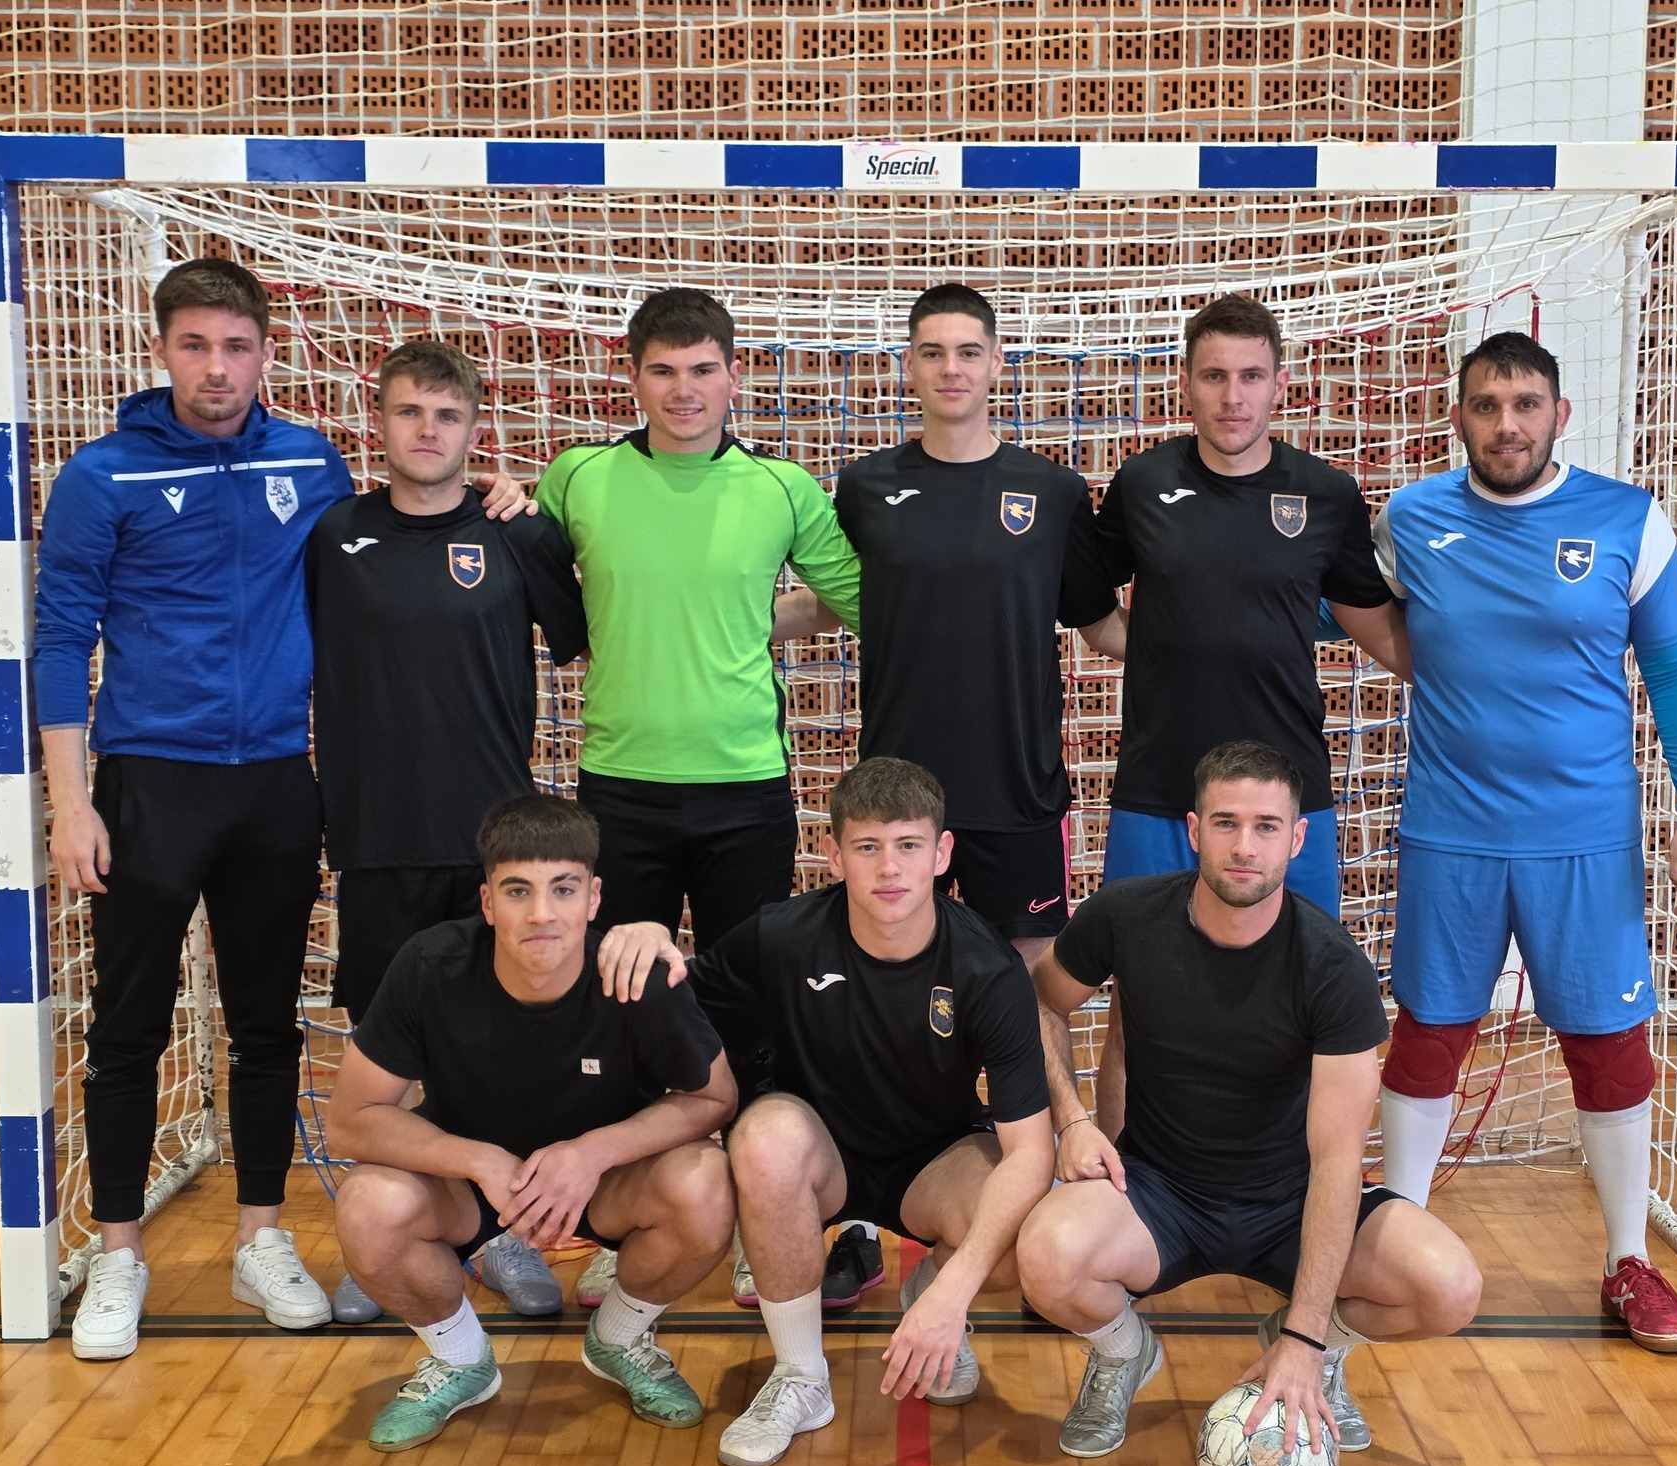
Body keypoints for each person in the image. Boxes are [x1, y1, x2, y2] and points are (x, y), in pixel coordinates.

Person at [34, 259, 528, 1361]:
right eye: (195, 345)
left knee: (266, 1026)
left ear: (266, 353)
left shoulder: (308, 461)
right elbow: (60, 637)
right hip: (148, 782)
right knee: (128, 1025)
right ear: (160, 350)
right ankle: (117, 1252)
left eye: (236, 347)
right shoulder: (102, 476)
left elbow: (408, 526)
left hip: (275, 783)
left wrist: (499, 494)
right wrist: (70, 802)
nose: (217, 368)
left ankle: (261, 1237)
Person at [1371, 331, 1677, 1354]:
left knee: (1606, 1044)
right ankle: (1397, 1242)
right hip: (1450, 832)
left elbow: (1672, 671)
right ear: (1457, 419)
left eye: (1526, 404)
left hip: (1585, 839)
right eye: (1486, 405)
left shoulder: (1625, 519)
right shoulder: (1408, 519)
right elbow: (1330, 608)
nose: (1507, 424)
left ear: (1559, 415)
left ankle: (1628, 1260)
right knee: (1428, 1033)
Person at [1016, 742, 1479, 1460]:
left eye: (1266, 826)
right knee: (1046, 1258)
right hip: (1159, 1194)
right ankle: (1124, 1354)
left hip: (1289, 1202)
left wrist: (1306, 1335)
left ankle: (1322, 1353)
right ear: (1194, 830)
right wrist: (1072, 1121)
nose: (1244, 846)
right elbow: (1039, 1002)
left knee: (1449, 1288)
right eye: (1225, 823)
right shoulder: (1127, 917)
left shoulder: (1332, 968)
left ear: (1296, 839)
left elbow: (1337, 1161)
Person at [596, 757, 1054, 1466]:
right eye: (867, 847)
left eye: (908, 845)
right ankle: (801, 1377)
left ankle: (927, 1294)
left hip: (933, 1163)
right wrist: (653, 947)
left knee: (1027, 1235)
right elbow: (677, 1002)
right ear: (834, 855)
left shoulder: (987, 968)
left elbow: (1031, 1153)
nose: (889, 868)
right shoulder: (781, 935)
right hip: (818, 1156)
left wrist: (952, 1293)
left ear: (942, 853)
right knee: (764, 1138)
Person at [307, 339, 588, 1323]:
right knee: (384, 1056)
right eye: (409, 412)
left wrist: (533, 514)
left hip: (490, 846)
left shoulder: (513, 532)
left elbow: (580, 636)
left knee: (491, 1049)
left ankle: (498, 1233)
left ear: (474, 428)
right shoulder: (334, 534)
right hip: (379, 835)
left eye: (447, 415)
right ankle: (384, 1237)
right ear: (378, 421)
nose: (427, 431)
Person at [325, 793, 738, 1451]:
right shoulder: (431, 965)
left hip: (605, 1185)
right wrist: (479, 1159)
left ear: (594, 899)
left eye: (563, 889)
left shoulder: (634, 976)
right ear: (488, 903)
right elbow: (350, 1122)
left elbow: (715, 1098)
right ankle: (461, 1360)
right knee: (367, 1204)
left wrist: (592, 1153)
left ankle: (620, 1339)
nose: (541, 912)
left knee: (708, 1183)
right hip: (469, 1190)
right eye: (518, 891)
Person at [782, 283, 1124, 966]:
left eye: (968, 352)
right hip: (898, 788)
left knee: (1029, 985)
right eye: (933, 353)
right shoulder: (866, 486)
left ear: (996, 361)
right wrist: (718, 625)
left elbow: (1100, 623)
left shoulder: (1053, 490)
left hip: (1017, 787)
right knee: (893, 976)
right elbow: (835, 602)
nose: (951, 369)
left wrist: (1214, 644)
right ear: (908, 364)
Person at [531, 286, 862, 950]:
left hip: (746, 785)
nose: (684, 390)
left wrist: (743, 621)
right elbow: (530, 585)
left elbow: (863, 603)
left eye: (703, 369)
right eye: (663, 370)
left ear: (733, 376)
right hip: (619, 783)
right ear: (632, 377)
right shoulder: (576, 477)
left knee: (744, 992)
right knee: (620, 988)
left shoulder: (782, 487)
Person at [1093, 294, 1410, 917]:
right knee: (1137, 965)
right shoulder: (1142, 482)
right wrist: (1164, 645)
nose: (1232, 397)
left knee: (1299, 966)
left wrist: (1480, 677)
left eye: (1251, 376)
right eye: (1214, 376)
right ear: (1185, 383)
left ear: (1279, 386)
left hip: (1285, 792)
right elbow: (1089, 609)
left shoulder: (1326, 494)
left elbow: (1374, 626)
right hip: (1159, 786)